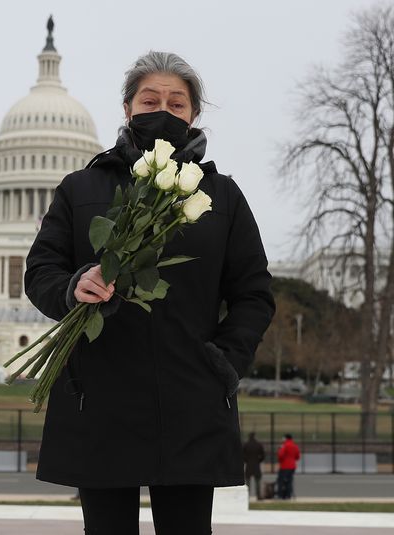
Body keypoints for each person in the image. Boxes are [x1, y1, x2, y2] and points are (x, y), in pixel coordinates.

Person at [24, 50, 275, 534]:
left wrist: (223, 362)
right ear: (127, 108)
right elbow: (41, 272)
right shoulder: (81, 188)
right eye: (150, 99)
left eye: (177, 103)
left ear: (194, 114)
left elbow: (253, 293)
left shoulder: (220, 197)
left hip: (190, 396)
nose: (163, 111)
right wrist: (76, 286)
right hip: (100, 397)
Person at [242, 432, 265, 500]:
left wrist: (246, 460)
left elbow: (242, 455)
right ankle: (258, 496)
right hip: (256, 465)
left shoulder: (246, 444)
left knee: (247, 483)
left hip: (248, 465)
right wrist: (259, 460)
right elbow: (263, 455)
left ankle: (247, 496)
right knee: (257, 482)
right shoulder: (258, 444)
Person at [277, 433, 301, 499]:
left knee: (281, 481)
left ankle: (280, 495)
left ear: (285, 438)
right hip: (292, 466)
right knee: (289, 481)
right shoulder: (295, 446)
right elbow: (298, 457)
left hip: (284, 466)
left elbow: (280, 455)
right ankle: (288, 495)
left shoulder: (284, 445)